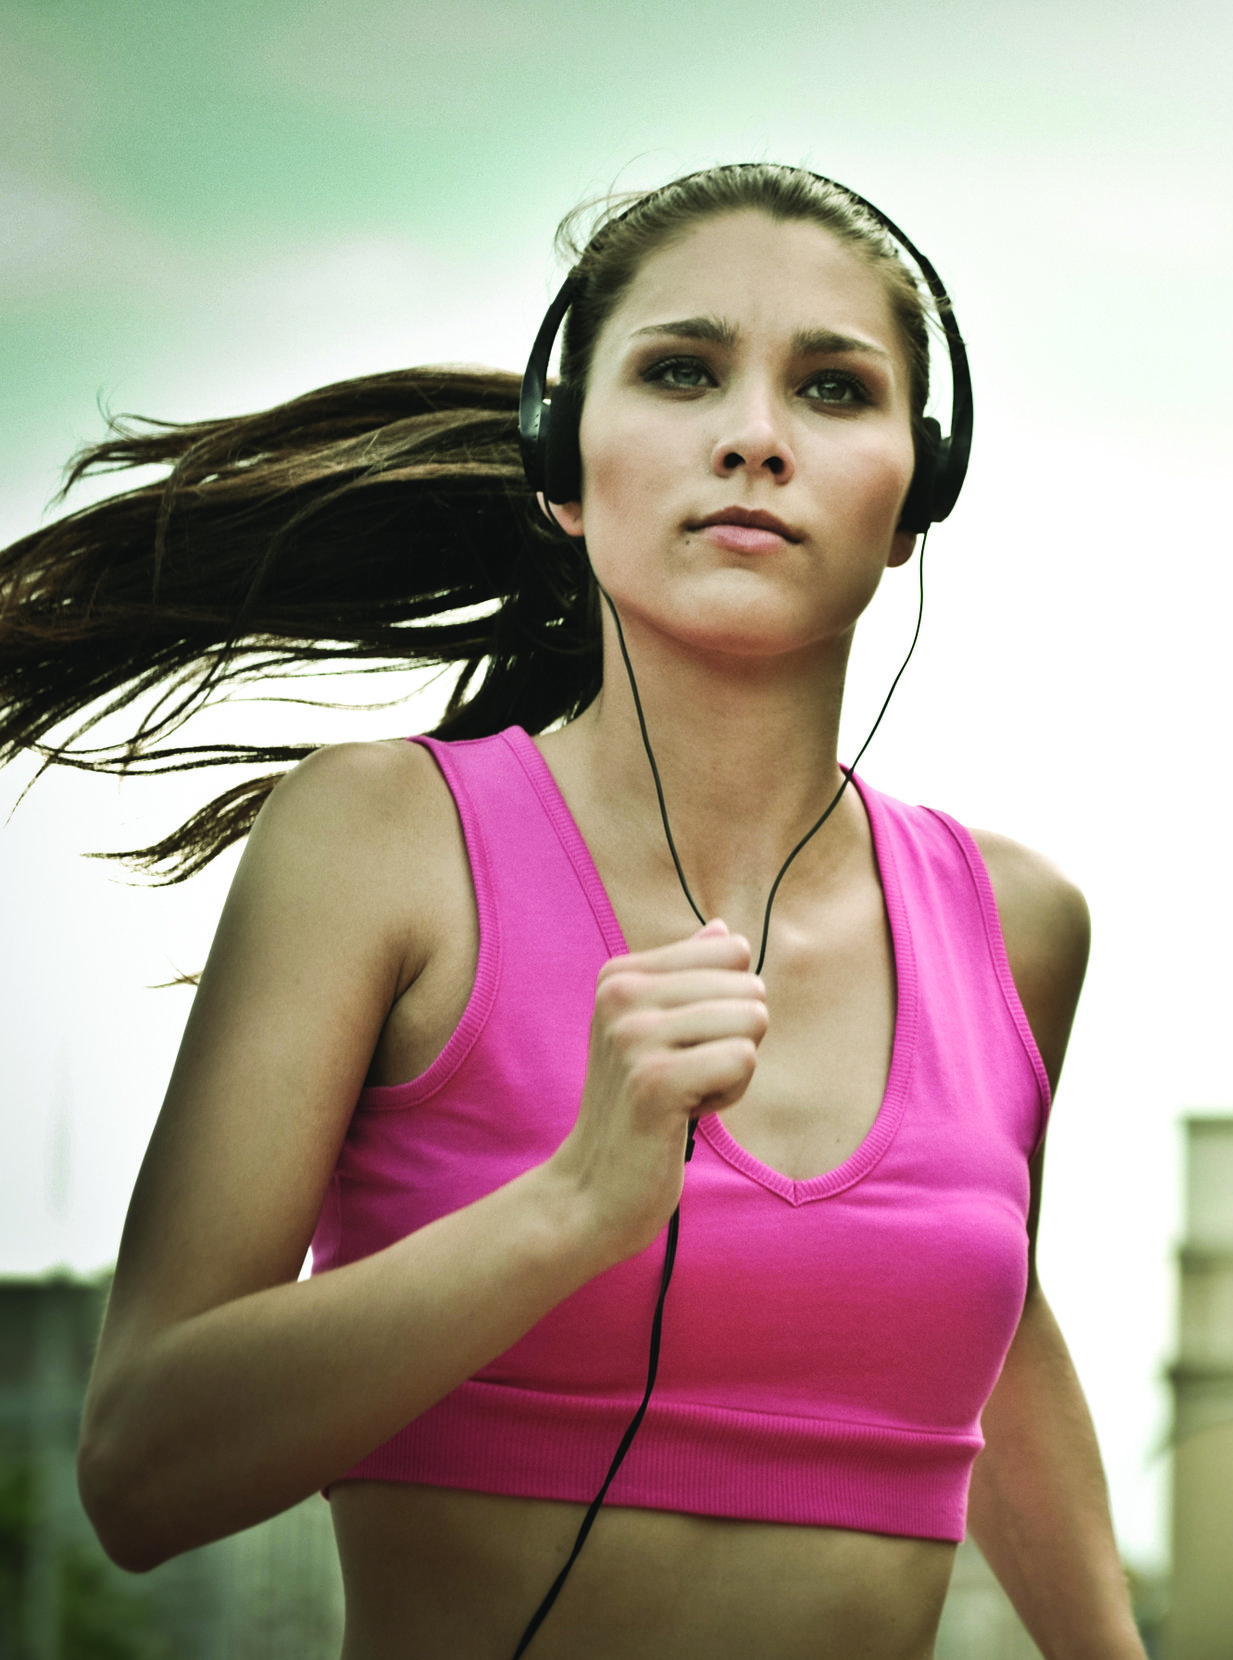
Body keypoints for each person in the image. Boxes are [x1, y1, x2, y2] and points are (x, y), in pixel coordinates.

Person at [4, 164, 1146, 1659]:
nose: (753, 435)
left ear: (915, 498)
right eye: (682, 372)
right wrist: (574, 1206)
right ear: (562, 457)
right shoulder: (381, 841)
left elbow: (997, 1336)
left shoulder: (1017, 924)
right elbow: (143, 1468)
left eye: (833, 388)